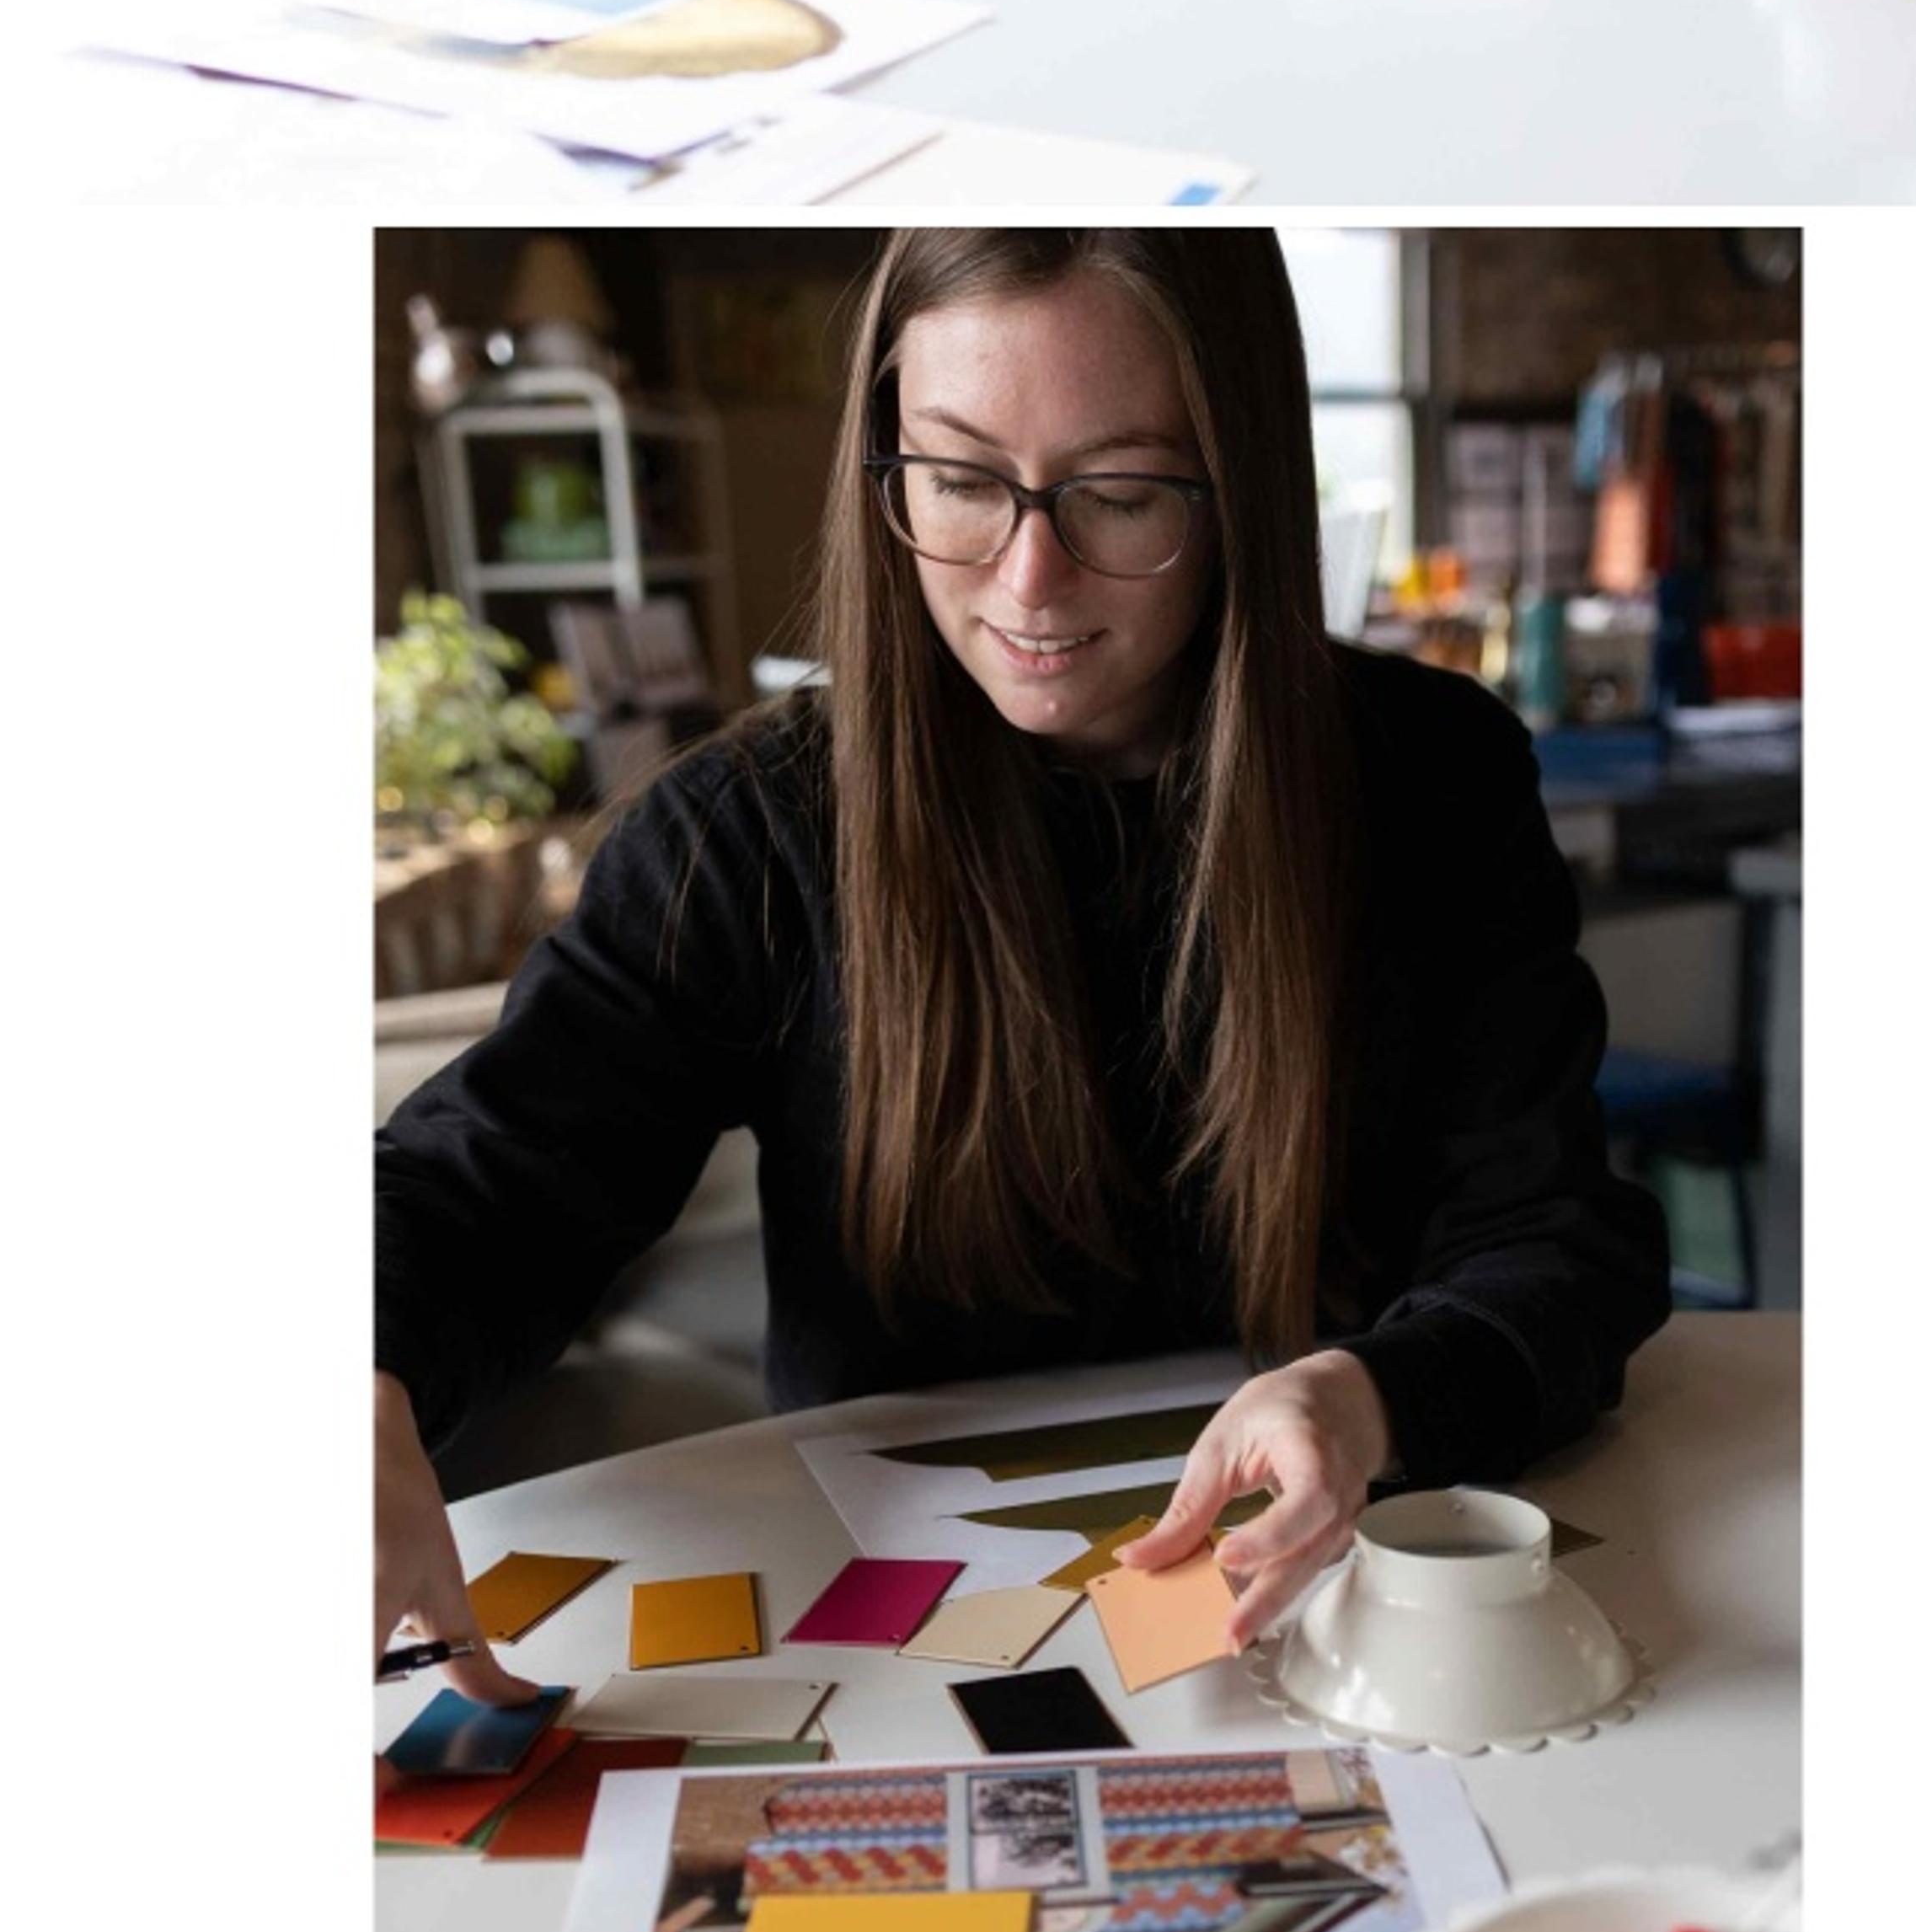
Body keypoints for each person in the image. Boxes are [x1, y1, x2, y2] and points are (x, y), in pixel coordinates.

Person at [375, 228, 1666, 1704]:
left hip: (1345, 1615)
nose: (1030, 580)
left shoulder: (1432, 779)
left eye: (1120, 493)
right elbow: (482, 1186)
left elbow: (1563, 1239)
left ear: (1240, 479)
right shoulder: (745, 836)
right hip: (895, 1657)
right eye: (963, 482)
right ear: (887, 467)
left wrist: (1375, 1392)